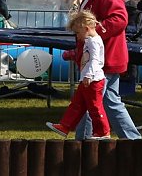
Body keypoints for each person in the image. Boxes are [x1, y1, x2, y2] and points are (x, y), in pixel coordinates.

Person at [68, 0, 141, 139]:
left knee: (96, 100)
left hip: (102, 59)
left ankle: (130, 141)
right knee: (101, 101)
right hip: (102, 58)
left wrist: (91, 33)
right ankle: (131, 141)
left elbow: (119, 19)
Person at [46, 9, 110, 139]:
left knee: (94, 106)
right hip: (86, 79)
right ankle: (65, 126)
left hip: (93, 80)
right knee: (77, 103)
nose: (77, 36)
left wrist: (89, 75)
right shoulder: (89, 41)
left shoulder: (94, 42)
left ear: (86, 29)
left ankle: (103, 131)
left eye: (77, 33)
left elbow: (95, 60)